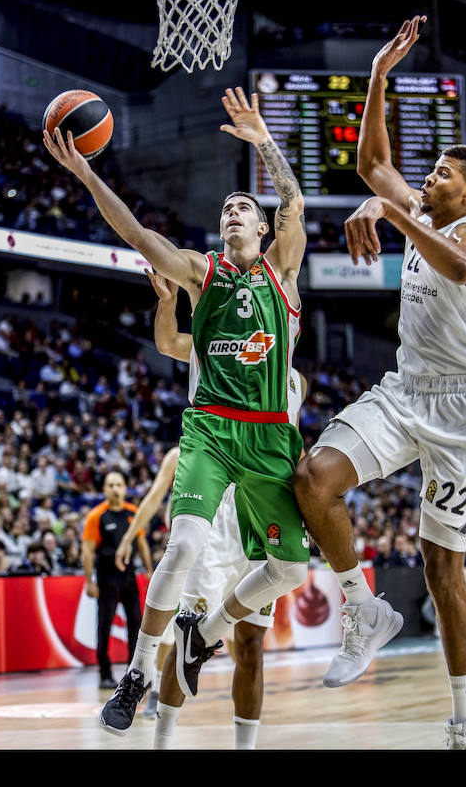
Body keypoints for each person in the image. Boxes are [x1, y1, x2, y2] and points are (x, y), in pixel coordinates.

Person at [43, 86, 310, 736]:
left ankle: (203, 636)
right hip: (212, 432)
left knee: (293, 570)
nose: (233, 212)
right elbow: (136, 233)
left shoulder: (283, 272)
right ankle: (137, 674)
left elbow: (295, 203)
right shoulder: (202, 273)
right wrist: (86, 173)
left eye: (244, 206)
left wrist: (263, 142)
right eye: (225, 208)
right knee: (185, 541)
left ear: (264, 228)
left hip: (271, 440)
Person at [292, 16, 466, 750]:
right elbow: (371, 163)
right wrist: (379, 73)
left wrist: (389, 209)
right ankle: (364, 610)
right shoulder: (418, 208)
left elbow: (456, 267)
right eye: (432, 172)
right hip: (405, 389)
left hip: (464, 409)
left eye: (444, 174)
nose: (429, 178)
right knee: (314, 478)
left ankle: (465, 713)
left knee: (444, 567)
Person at [114, 269, 307, 749]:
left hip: (263, 517)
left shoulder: (295, 380)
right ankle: (162, 739)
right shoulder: (220, 345)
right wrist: (168, 302)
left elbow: (294, 452)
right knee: (187, 642)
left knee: (252, 648)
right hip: (218, 512)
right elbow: (167, 343)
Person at [81, 470, 153, 690]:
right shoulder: (96, 515)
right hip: (107, 580)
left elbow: (141, 544)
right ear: (104, 489)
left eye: (119, 484)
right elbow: (87, 552)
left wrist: (149, 570)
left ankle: (135, 674)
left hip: (129, 579)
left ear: (124, 488)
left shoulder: (133, 512)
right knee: (104, 626)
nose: (115, 489)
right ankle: (105, 674)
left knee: (136, 626)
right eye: (110, 485)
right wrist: (89, 582)